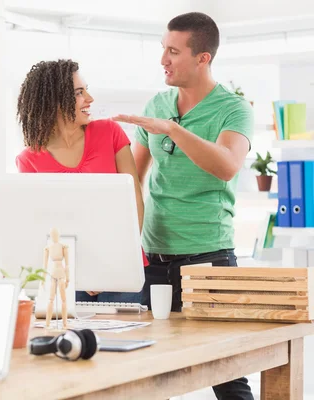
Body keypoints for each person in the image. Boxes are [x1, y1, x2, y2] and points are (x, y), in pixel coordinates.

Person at [114, 12, 254, 400]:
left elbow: (226, 166)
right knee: (149, 371)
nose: (163, 60)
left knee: (227, 372)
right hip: (154, 260)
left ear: (203, 58)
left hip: (209, 259)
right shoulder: (156, 103)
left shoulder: (233, 109)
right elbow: (131, 182)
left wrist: (174, 129)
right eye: (163, 49)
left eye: (173, 51)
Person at [15, 59, 148, 304]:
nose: (90, 98)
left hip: (121, 267)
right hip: (69, 277)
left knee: (131, 339)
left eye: (86, 89)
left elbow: (135, 202)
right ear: (54, 101)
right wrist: (83, 271)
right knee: (75, 340)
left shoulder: (110, 132)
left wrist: (109, 265)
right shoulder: (29, 160)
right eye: (79, 92)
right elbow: (45, 225)